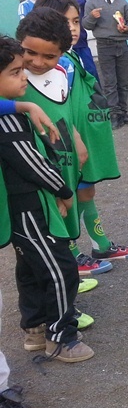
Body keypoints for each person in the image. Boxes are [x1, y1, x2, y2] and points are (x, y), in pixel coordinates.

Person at [34, 0, 128, 272]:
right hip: (65, 144)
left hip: (81, 138)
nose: (72, 28)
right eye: (65, 22)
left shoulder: (71, 56)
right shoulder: (50, 64)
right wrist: (75, 137)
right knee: (67, 195)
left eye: (75, 21)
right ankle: (70, 253)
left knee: (86, 191)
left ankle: (100, 243)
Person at [6, 21, 91, 362]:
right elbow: (31, 162)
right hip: (29, 202)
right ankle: (61, 337)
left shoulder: (19, 102)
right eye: (18, 70)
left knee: (30, 265)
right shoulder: (8, 120)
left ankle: (36, 328)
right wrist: (63, 189)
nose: (30, 70)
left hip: (30, 199)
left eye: (49, 56)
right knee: (60, 267)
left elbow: (62, 116)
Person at [82, 0, 128, 128]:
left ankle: (123, 112)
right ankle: (113, 113)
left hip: (122, 45)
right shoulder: (92, 3)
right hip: (105, 45)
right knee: (110, 82)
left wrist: (127, 28)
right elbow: (86, 24)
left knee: (123, 82)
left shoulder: (122, 2)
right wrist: (92, 17)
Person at [52, 0, 96, 77]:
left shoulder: (81, 1)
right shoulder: (54, 3)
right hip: (64, 45)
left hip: (81, 43)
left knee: (90, 71)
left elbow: (86, 19)